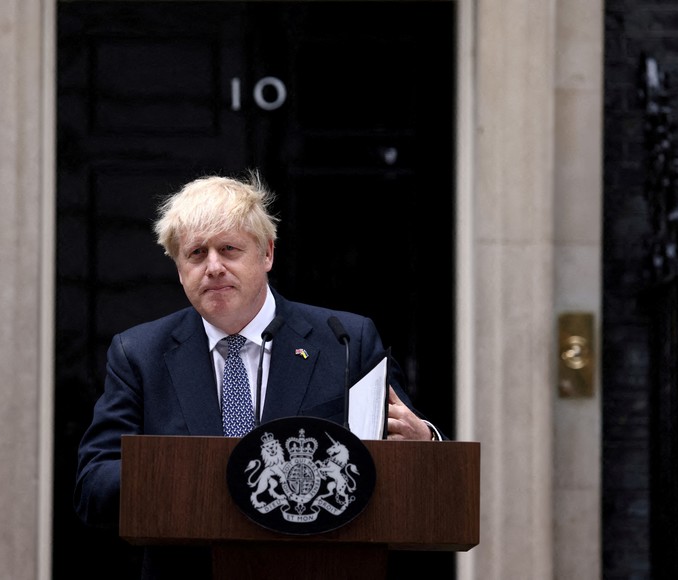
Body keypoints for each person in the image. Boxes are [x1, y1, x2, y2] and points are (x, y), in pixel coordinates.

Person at [74, 170, 444, 579]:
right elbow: (94, 486)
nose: (213, 267)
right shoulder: (139, 354)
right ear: (179, 268)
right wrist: (192, 476)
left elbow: (412, 472)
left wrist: (425, 441)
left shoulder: (345, 340)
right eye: (196, 253)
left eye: (229, 249)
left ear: (267, 253)